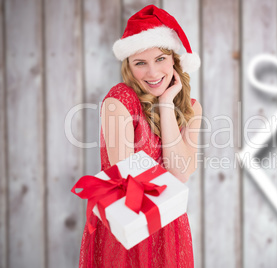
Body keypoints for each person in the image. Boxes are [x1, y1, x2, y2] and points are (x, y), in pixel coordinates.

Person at [78, 5, 202, 267]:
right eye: (140, 63)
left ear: (174, 61)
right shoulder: (120, 100)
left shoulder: (190, 107)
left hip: (169, 226)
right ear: (129, 67)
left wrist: (167, 105)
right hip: (128, 225)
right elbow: (126, 179)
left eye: (160, 59)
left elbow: (180, 172)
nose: (153, 73)